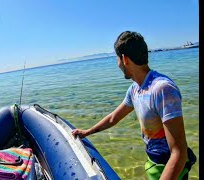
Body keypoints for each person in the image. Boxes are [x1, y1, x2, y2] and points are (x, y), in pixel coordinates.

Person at [72, 31, 196, 180]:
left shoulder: (162, 89)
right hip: (154, 162)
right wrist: (87, 132)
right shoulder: (135, 89)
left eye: (117, 59)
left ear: (124, 59)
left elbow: (179, 154)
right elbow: (113, 118)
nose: (117, 64)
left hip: (172, 168)